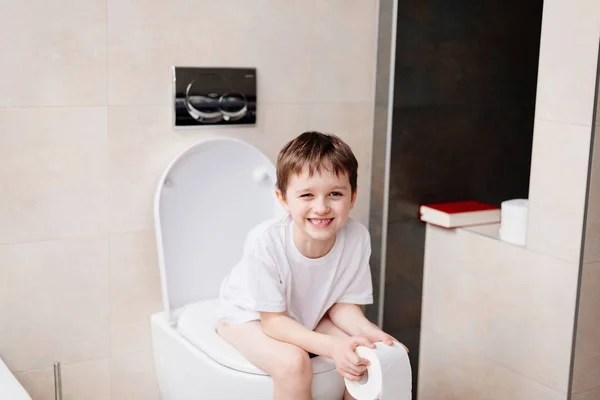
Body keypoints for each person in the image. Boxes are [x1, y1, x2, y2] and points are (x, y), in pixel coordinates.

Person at [216, 131, 407, 400]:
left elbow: (344, 307)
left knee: (364, 355)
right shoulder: (266, 241)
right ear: (283, 199)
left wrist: (376, 337)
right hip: (251, 317)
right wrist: (332, 346)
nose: (321, 207)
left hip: (305, 313)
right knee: (294, 363)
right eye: (307, 195)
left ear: (352, 197)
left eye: (335, 194)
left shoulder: (356, 237)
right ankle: (225, 328)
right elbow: (274, 323)